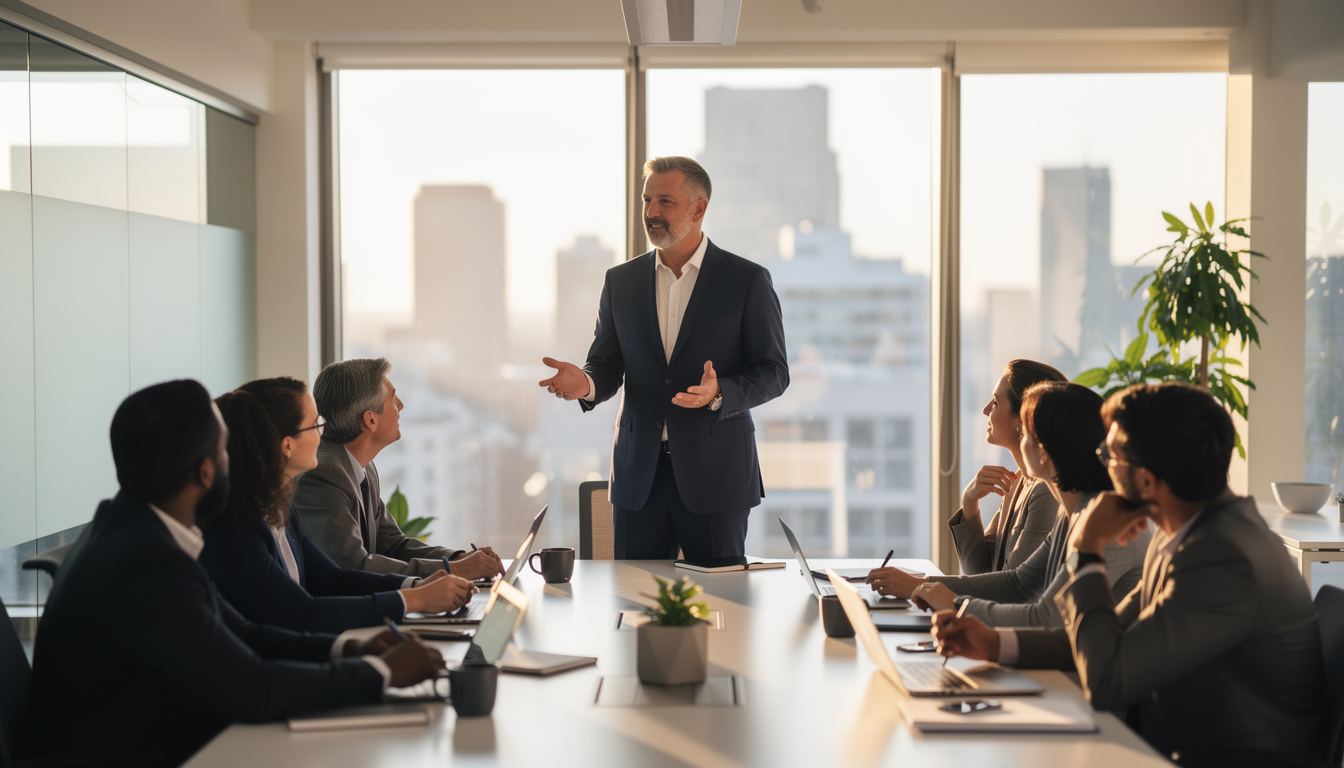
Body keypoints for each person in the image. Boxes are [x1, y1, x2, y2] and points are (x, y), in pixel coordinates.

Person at [20, 380, 445, 767]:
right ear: (206, 471)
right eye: (227, 450)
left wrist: (347, 653)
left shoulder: (137, 530)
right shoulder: (144, 562)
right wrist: (383, 673)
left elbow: (245, 633)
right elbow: (254, 689)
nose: (242, 457)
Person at [932, 382, 1327, 762]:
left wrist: (1086, 548)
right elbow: (1103, 634)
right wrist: (995, 644)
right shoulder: (1184, 529)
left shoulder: (1224, 557)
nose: (1101, 463)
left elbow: (1108, 680)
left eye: (1112, 456)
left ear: (1146, 480)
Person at [538, 156, 789, 559]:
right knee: (634, 603)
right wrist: (584, 384)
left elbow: (774, 372)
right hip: (639, 477)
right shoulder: (620, 281)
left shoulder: (747, 281)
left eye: (665, 202)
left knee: (720, 606)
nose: (651, 213)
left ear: (699, 209)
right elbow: (606, 364)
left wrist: (720, 392)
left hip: (716, 475)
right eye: (646, 200)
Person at [201, 377, 475, 633]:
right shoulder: (237, 527)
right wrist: (413, 600)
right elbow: (304, 613)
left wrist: (417, 586)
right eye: (316, 424)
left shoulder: (281, 510)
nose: (324, 433)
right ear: (287, 445)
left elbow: (333, 579)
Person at [867, 382, 1149, 628]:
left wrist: (954, 604)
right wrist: (922, 587)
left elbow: (1048, 619)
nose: (1018, 440)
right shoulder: (1071, 512)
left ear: (1044, 455)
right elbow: (1018, 584)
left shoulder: (1112, 527)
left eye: (1024, 433)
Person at [293, 358, 504, 580]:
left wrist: (458, 558)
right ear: (370, 420)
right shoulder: (323, 475)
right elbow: (354, 567)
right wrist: (453, 571)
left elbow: (393, 545)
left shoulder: (362, 468)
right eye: (393, 398)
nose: (401, 405)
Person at [949, 359, 1068, 574]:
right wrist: (969, 500)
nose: (986, 410)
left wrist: (921, 585)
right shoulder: (1018, 483)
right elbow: (979, 572)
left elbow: (1013, 588)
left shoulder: (1046, 491)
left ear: (1023, 418)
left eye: (995, 402)